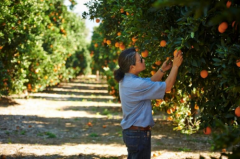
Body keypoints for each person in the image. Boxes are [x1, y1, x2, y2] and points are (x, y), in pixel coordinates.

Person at [113, 47, 183, 159]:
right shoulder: (136, 84)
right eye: (140, 59)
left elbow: (149, 82)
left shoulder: (127, 79)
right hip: (138, 134)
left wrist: (162, 69)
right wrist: (175, 66)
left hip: (133, 133)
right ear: (132, 67)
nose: (143, 60)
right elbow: (168, 86)